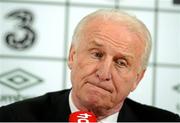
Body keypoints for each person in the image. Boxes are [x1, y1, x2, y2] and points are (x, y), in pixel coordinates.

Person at [0, 9, 179, 122]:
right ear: (72, 55)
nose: (103, 73)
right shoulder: (12, 118)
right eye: (97, 54)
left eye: (121, 62)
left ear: (137, 78)